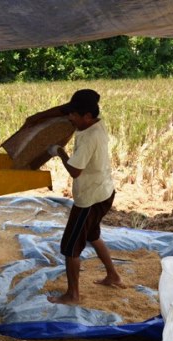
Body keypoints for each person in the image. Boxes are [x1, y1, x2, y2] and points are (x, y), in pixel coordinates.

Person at [30, 89, 124, 304]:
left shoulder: (90, 137)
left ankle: (73, 295)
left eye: (74, 115)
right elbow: (64, 111)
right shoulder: (95, 124)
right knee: (92, 235)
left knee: (70, 246)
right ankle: (113, 276)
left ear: (88, 116)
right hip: (104, 192)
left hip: (89, 199)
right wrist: (36, 119)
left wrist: (59, 152)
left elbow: (75, 171)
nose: (70, 118)